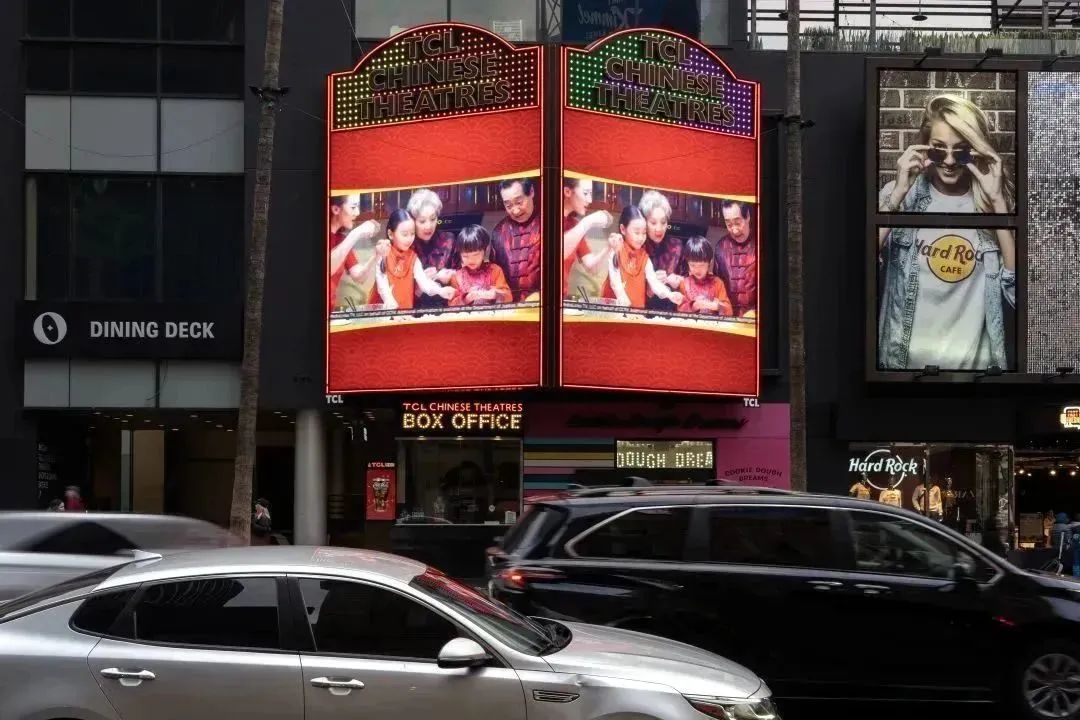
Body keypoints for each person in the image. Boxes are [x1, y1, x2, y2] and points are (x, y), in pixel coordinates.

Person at [877, 94, 1016, 371]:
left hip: (975, 371)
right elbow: (860, 275)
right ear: (925, 147)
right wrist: (897, 195)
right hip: (904, 367)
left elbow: (1017, 294)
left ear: (975, 151)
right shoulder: (899, 197)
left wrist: (998, 202)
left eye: (961, 152)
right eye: (939, 150)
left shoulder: (994, 204)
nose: (950, 161)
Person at [371, 209, 456, 310]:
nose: (409, 239)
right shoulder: (384, 252)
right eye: (404, 234)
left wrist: (440, 291)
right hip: (384, 311)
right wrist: (389, 301)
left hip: (405, 310)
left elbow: (424, 282)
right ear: (390, 234)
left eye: (412, 234)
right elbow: (382, 285)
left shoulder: (412, 257)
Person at [602, 206, 683, 309]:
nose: (641, 238)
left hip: (636, 310)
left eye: (644, 233)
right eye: (637, 233)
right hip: (615, 310)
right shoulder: (616, 249)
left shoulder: (644, 256)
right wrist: (624, 301)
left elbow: (654, 282)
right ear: (623, 229)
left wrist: (670, 295)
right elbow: (615, 283)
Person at [406, 189, 470, 309]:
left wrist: (451, 276)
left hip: (447, 308)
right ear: (413, 221)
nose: (428, 226)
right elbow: (400, 291)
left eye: (433, 219)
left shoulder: (449, 241)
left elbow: (464, 278)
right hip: (412, 310)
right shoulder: (407, 246)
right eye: (422, 221)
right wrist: (420, 285)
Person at [562, 177, 616, 297]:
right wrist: (588, 221)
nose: (590, 200)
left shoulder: (573, 225)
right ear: (567, 192)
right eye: (586, 193)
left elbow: (592, 268)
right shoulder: (544, 218)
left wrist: (608, 247)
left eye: (591, 194)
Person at [328, 195, 384, 311]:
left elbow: (359, 277)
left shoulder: (342, 240)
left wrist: (376, 255)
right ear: (336, 209)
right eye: (353, 207)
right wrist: (356, 233)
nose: (357, 212)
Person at [490, 177, 541, 301]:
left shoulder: (552, 223)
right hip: (508, 305)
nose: (515, 211)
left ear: (531, 192)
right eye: (508, 205)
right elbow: (494, 275)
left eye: (519, 202)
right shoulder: (498, 232)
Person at [639, 190, 684, 311]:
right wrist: (650, 288)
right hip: (642, 313)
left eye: (663, 222)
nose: (659, 229)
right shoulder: (638, 248)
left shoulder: (677, 247)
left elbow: (691, 283)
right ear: (644, 222)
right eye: (653, 223)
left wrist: (678, 281)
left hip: (672, 313)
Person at [712, 199, 757, 318]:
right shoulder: (720, 247)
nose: (735, 230)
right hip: (727, 319)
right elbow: (716, 287)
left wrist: (757, 312)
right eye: (729, 224)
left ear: (747, 216)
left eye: (737, 223)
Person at [447, 225, 512, 307]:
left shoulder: (495, 270)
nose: (471, 260)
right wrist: (467, 298)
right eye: (465, 256)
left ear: (486, 250)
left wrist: (493, 295)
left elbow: (509, 297)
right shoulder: (456, 277)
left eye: (476, 255)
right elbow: (451, 304)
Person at [676, 236, 732, 316]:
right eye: (692, 265)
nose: (697, 270)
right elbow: (679, 311)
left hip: (712, 323)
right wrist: (694, 306)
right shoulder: (684, 283)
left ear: (710, 262)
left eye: (701, 265)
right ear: (687, 263)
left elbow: (729, 311)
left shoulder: (717, 283)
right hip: (691, 323)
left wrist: (716, 306)